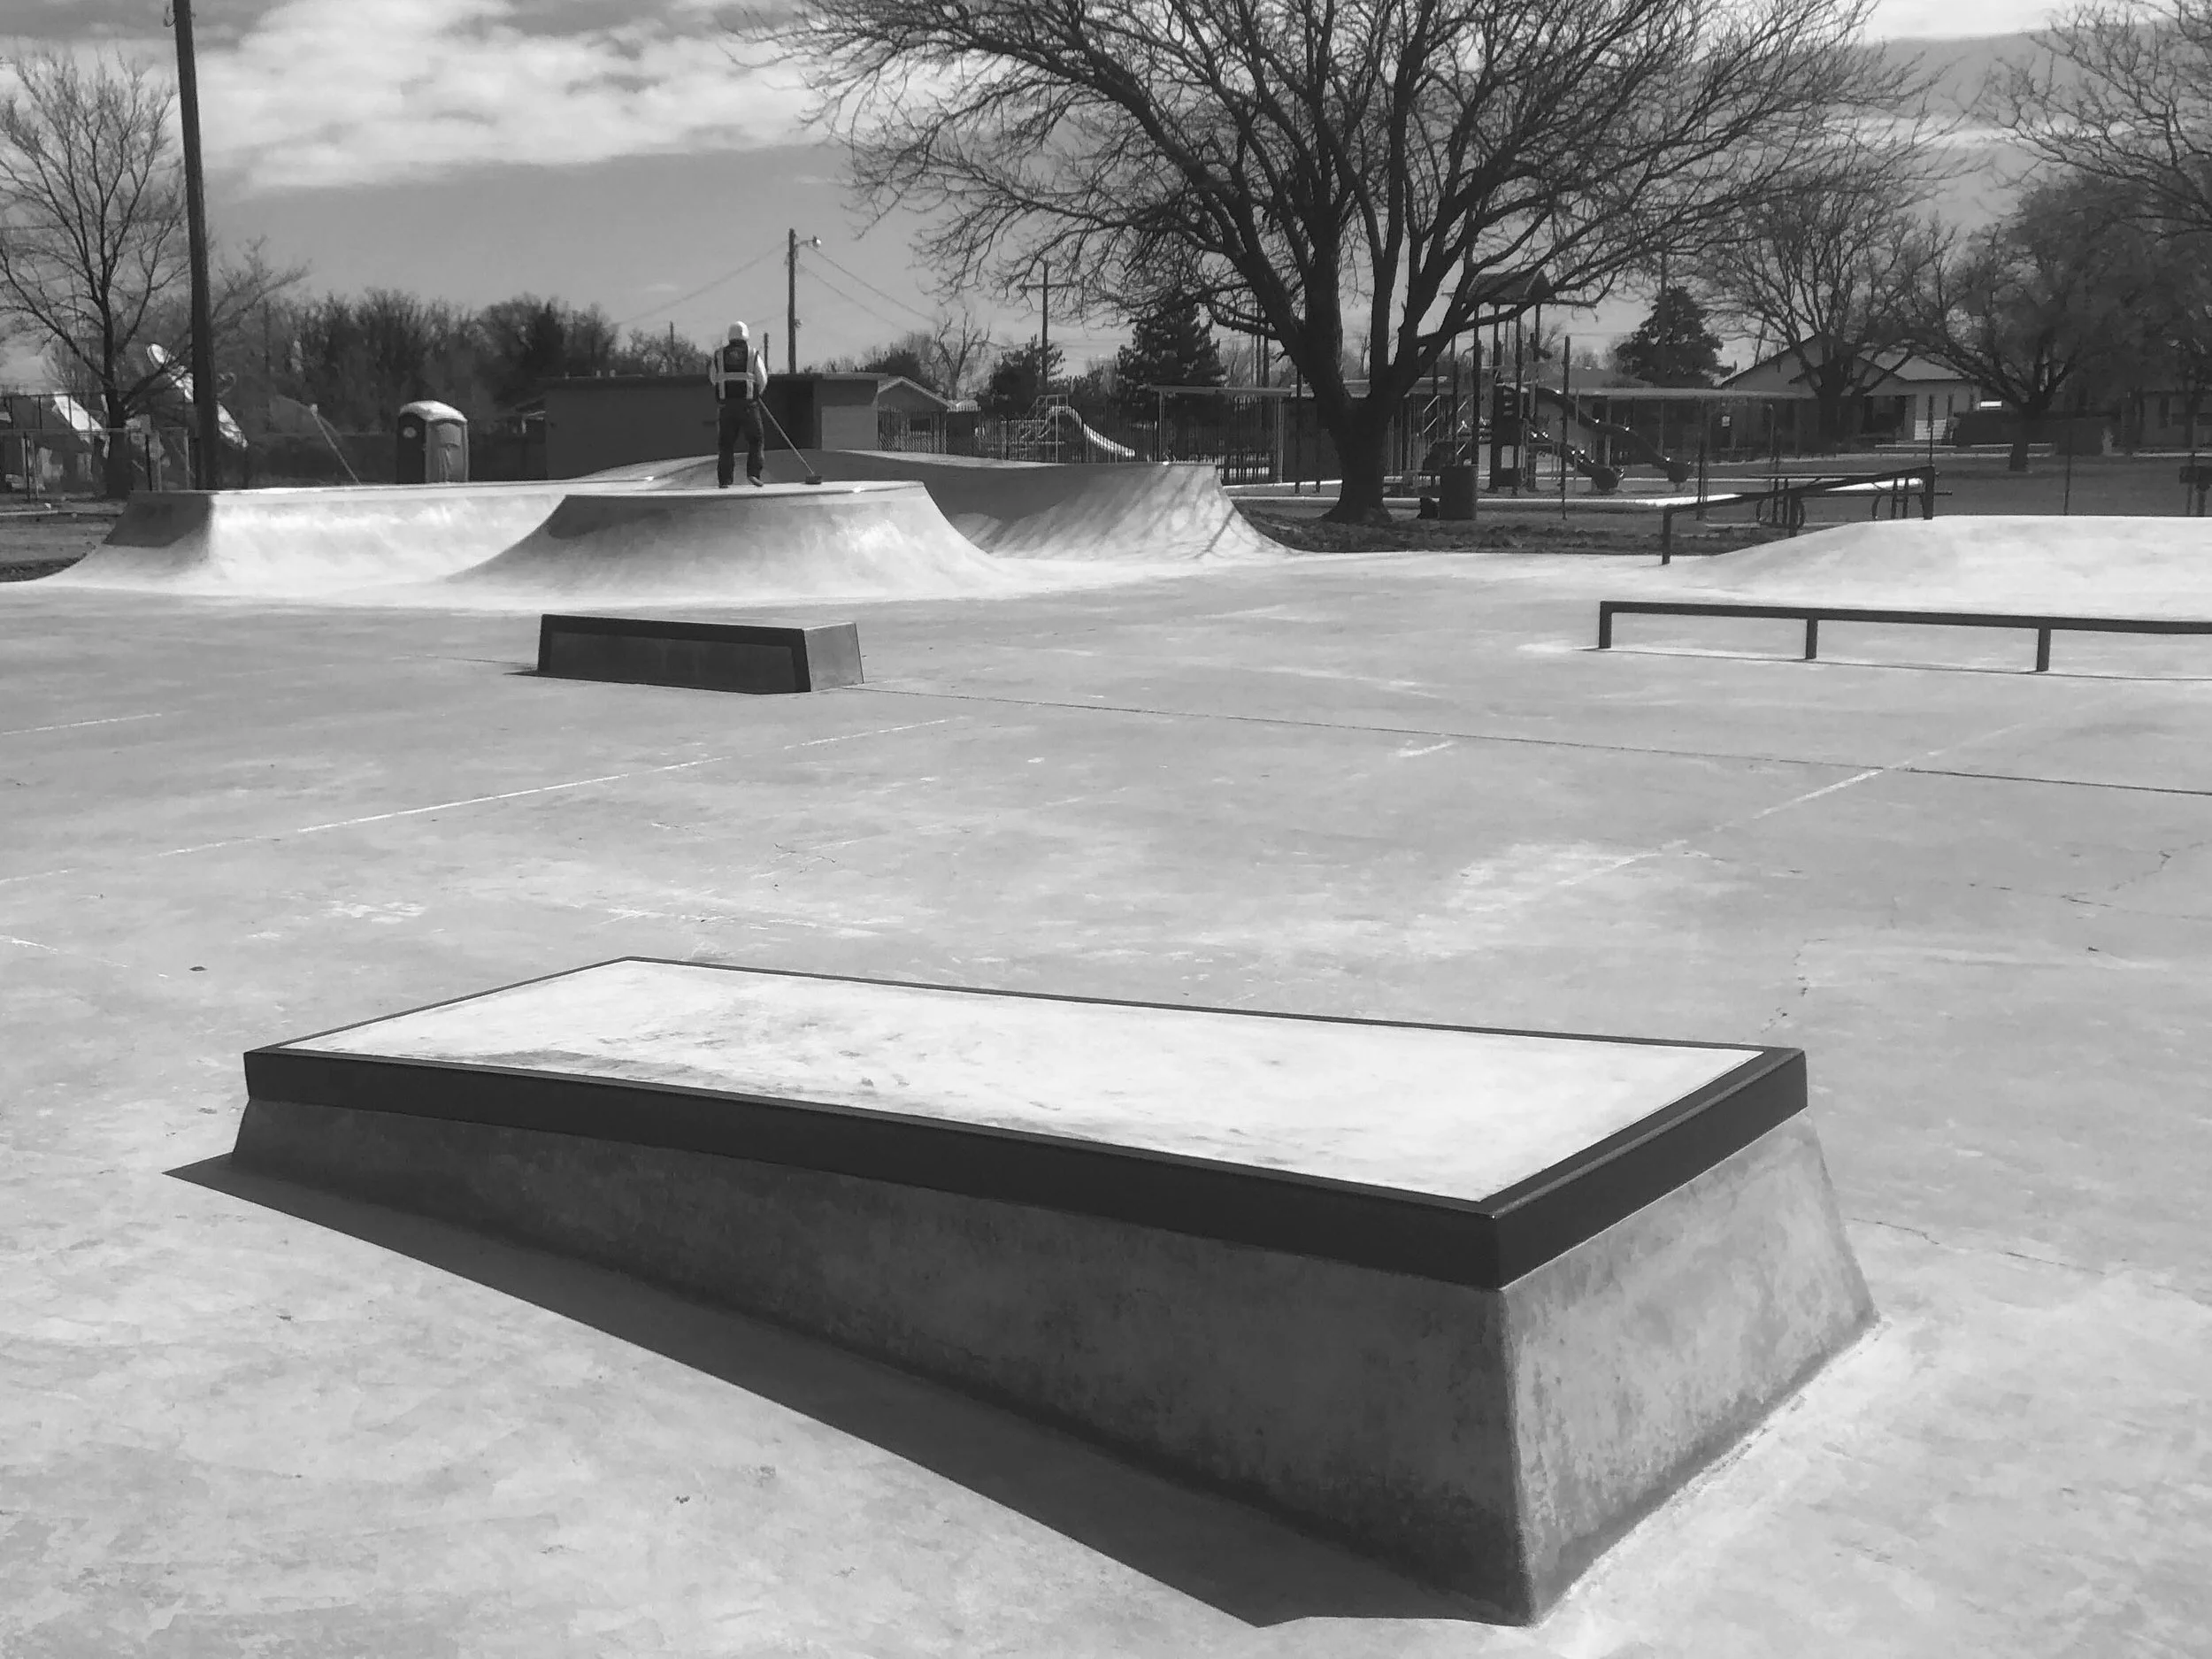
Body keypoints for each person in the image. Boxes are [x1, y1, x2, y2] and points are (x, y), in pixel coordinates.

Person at [709, 321, 771, 488]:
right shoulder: (752, 354)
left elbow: (714, 379)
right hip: (749, 406)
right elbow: (762, 379)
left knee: (726, 444)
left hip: (726, 407)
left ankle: (725, 481)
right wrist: (756, 394)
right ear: (746, 335)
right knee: (756, 440)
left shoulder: (719, 355)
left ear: (730, 335)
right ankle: (753, 473)